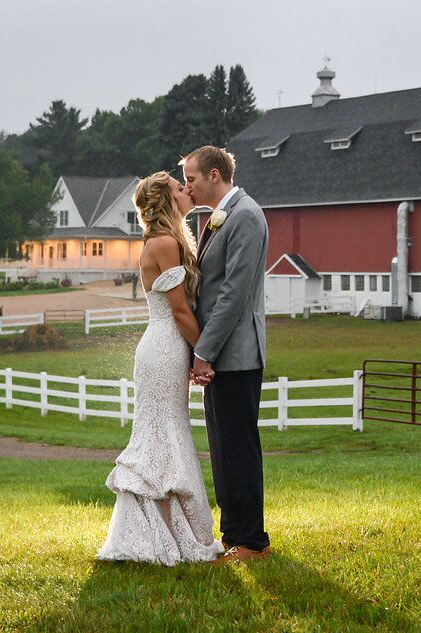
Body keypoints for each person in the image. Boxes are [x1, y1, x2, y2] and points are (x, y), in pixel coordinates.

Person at [96, 171, 223, 566]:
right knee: (163, 435)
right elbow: (181, 311)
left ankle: (166, 532)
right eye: (179, 187)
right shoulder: (165, 243)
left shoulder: (168, 239)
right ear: (168, 201)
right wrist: (206, 353)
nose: (188, 189)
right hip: (165, 348)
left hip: (167, 348)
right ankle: (163, 539)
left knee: (167, 433)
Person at [183, 146, 271, 563]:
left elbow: (234, 296)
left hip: (236, 355)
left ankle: (252, 541)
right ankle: (233, 534)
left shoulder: (247, 216)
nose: (188, 187)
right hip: (220, 356)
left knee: (238, 447)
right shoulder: (219, 217)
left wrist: (204, 352)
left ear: (214, 174)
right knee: (221, 447)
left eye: (192, 179)